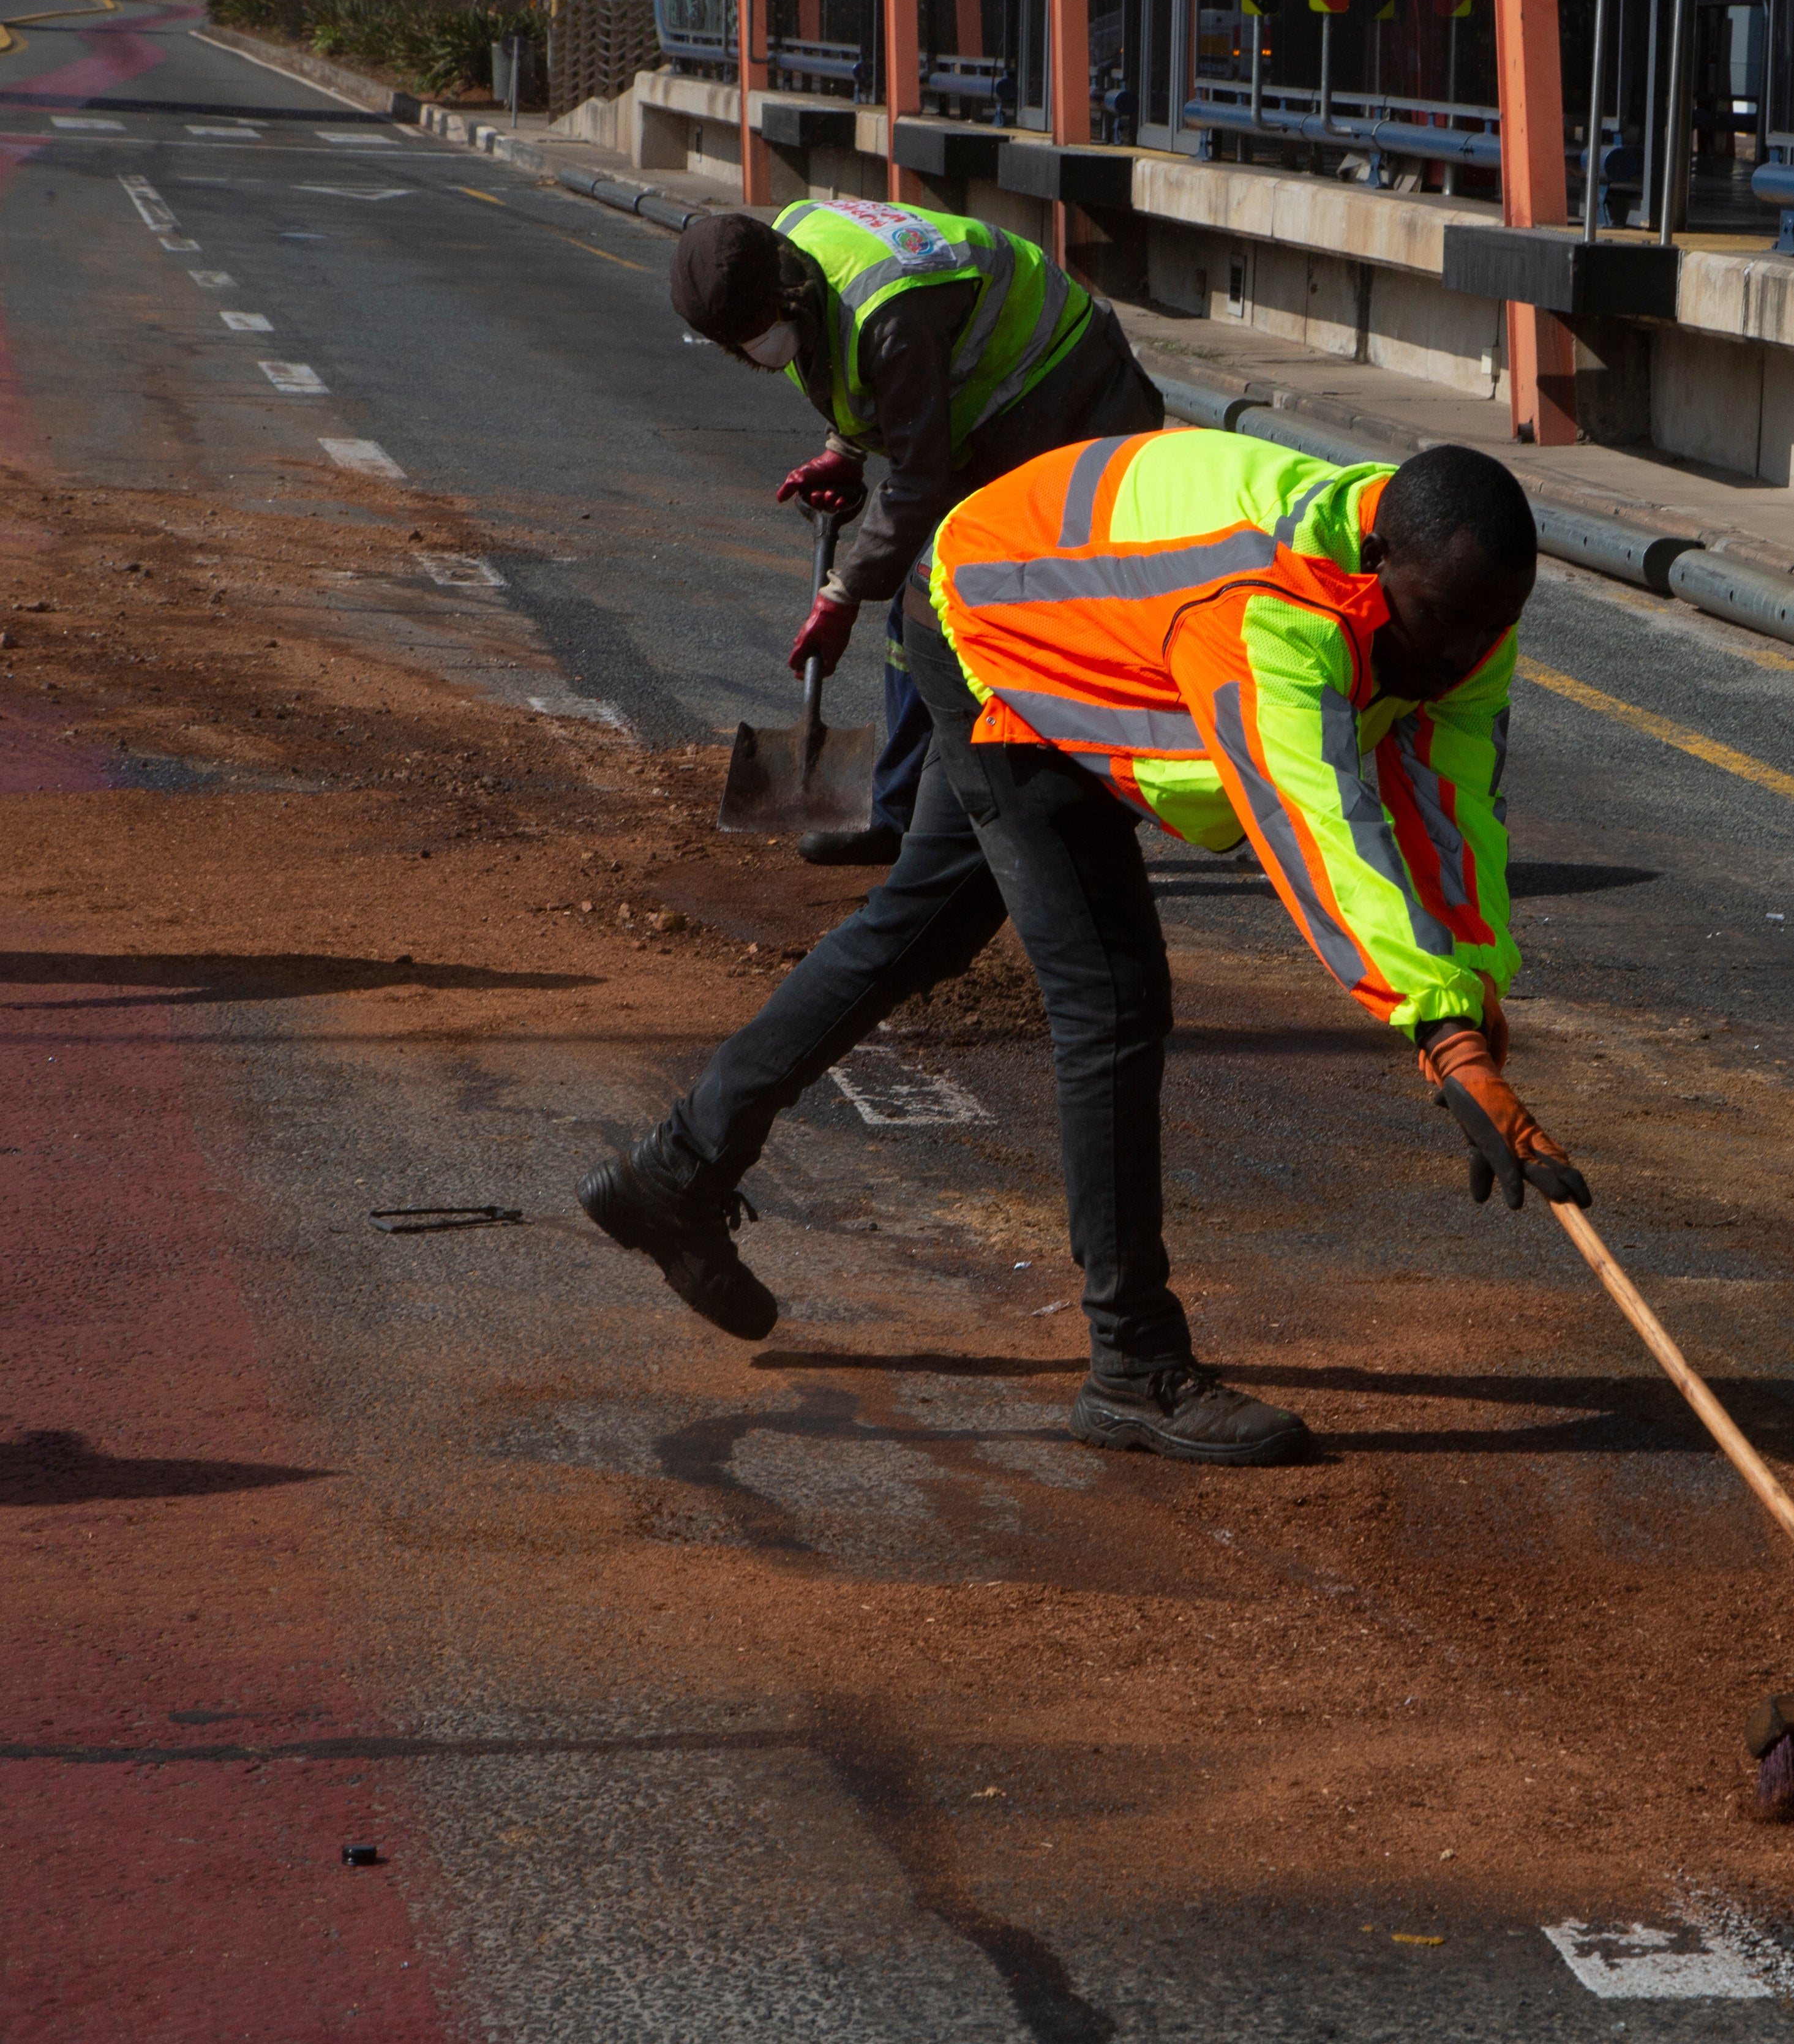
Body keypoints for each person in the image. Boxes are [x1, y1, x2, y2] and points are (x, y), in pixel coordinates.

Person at [579, 428, 1583, 1467]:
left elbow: (1446, 806)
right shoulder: (1262, 609)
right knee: (1110, 996)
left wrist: (1470, 1001)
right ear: (1379, 565)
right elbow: (1318, 822)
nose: (1463, 654)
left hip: (1049, 601)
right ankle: (1132, 1363)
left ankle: (678, 1168)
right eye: (1445, 623)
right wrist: (1435, 1028)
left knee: (918, 926)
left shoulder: (1454, 607)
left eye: (1491, 629)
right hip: (1002, 635)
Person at [666, 201, 1168, 867]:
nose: (752, 350)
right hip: (988, 407)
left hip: (1067, 394)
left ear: (785, 292)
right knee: (926, 613)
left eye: (756, 331)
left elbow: (919, 474)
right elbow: (863, 377)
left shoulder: (889, 311)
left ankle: (1076, 814)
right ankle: (904, 816)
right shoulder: (790, 254)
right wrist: (843, 451)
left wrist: (842, 595)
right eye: (737, 344)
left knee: (1005, 612)